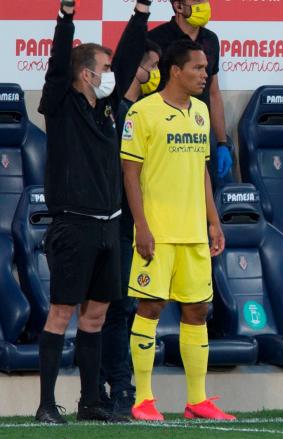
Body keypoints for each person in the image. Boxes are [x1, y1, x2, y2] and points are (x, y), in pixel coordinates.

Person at [36, 0, 152, 424]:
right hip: (74, 226)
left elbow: (127, 52)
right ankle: (46, 405)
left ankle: (90, 401)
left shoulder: (108, 108)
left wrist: (141, 11)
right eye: (104, 68)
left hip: (109, 225)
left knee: (97, 315)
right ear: (86, 74)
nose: (112, 74)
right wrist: (66, 17)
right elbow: (56, 65)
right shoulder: (61, 105)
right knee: (62, 313)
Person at [121, 39, 235, 422]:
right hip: (158, 231)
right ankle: (143, 399)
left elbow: (202, 170)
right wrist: (142, 226)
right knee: (150, 307)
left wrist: (214, 221)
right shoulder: (143, 112)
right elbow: (130, 174)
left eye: (206, 69)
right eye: (198, 69)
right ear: (175, 71)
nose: (205, 75)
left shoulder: (201, 113)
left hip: (193, 234)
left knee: (198, 311)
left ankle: (197, 401)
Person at [99, 39, 162, 416]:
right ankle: (118, 386)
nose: (155, 73)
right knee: (117, 307)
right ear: (137, 68)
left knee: (123, 307)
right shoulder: (119, 113)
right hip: (116, 220)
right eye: (152, 65)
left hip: (135, 222)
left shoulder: (140, 110)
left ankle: (119, 385)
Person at [148, 0, 233, 190]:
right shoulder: (155, 39)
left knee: (204, 191)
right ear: (178, 6)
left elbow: (213, 92)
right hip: (165, 131)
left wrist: (221, 143)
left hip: (200, 127)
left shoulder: (211, 39)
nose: (204, 5)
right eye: (197, 1)